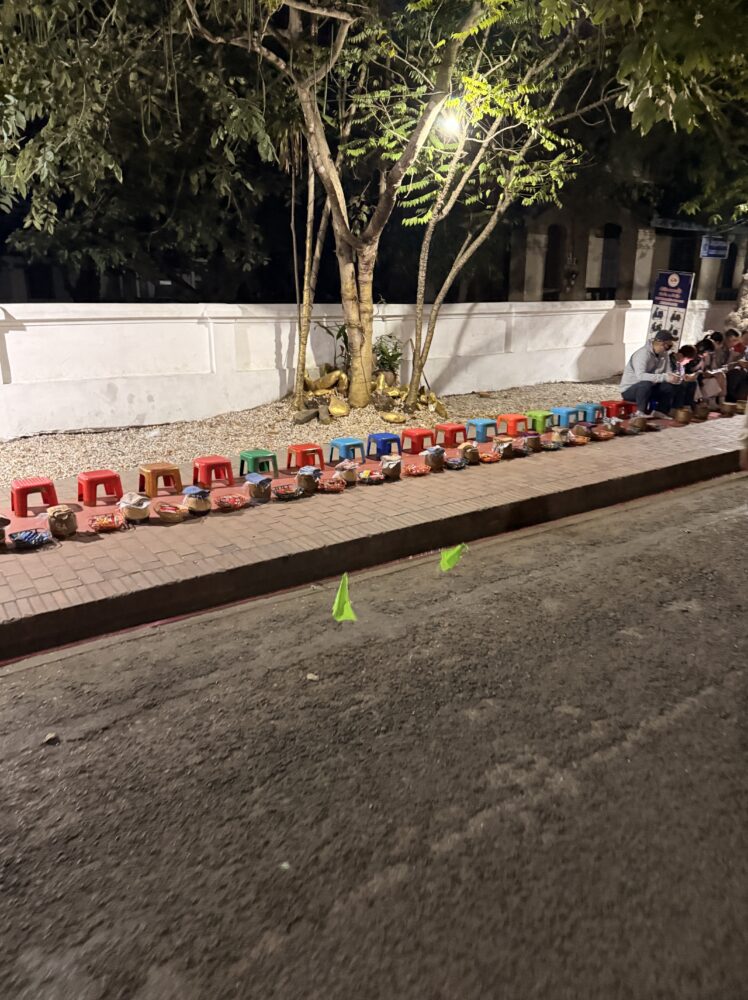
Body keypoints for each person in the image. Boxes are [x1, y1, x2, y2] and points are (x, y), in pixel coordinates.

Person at [620, 331, 695, 416]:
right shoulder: (642, 354)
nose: (671, 345)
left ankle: (661, 411)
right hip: (631, 389)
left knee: (671, 386)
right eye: (669, 343)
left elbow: (668, 372)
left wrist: (674, 378)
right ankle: (640, 412)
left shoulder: (664, 354)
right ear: (662, 343)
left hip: (651, 386)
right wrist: (665, 377)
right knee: (646, 383)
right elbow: (640, 376)